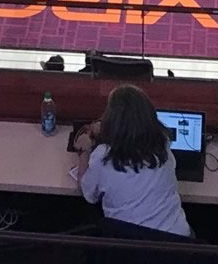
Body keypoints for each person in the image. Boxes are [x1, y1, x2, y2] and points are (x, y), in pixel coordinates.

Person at [70, 83, 193, 237]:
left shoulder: (102, 156)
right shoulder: (163, 144)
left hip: (129, 249)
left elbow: (88, 193)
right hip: (176, 243)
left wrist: (85, 151)